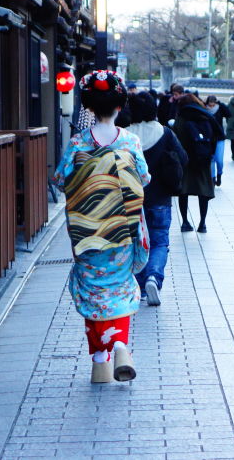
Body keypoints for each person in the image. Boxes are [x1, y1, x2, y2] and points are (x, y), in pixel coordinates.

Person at [52, 70, 150, 383]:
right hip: (122, 227)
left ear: (91, 106)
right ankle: (120, 345)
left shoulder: (78, 142)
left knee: (93, 288)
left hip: (87, 230)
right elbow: (144, 179)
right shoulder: (130, 141)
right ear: (119, 106)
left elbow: (59, 179)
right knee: (119, 285)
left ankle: (99, 359)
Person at [126, 92, 188, 306]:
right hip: (160, 197)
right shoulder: (165, 133)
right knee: (160, 241)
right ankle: (154, 276)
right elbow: (183, 158)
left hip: (130, 201)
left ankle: (141, 285)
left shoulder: (123, 136)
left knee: (136, 242)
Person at [175, 93, 223, 233]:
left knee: (183, 191)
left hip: (185, 160)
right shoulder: (205, 116)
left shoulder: (181, 118)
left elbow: (176, 138)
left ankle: (185, 222)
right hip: (203, 159)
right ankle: (202, 223)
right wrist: (209, 153)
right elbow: (217, 135)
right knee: (204, 191)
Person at [205, 95, 230, 186]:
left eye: (213, 105)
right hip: (209, 138)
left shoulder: (220, 108)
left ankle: (219, 174)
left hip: (219, 137)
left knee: (219, 160)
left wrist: (221, 104)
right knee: (211, 159)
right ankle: (213, 178)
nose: (211, 107)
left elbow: (228, 114)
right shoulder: (205, 109)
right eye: (210, 105)